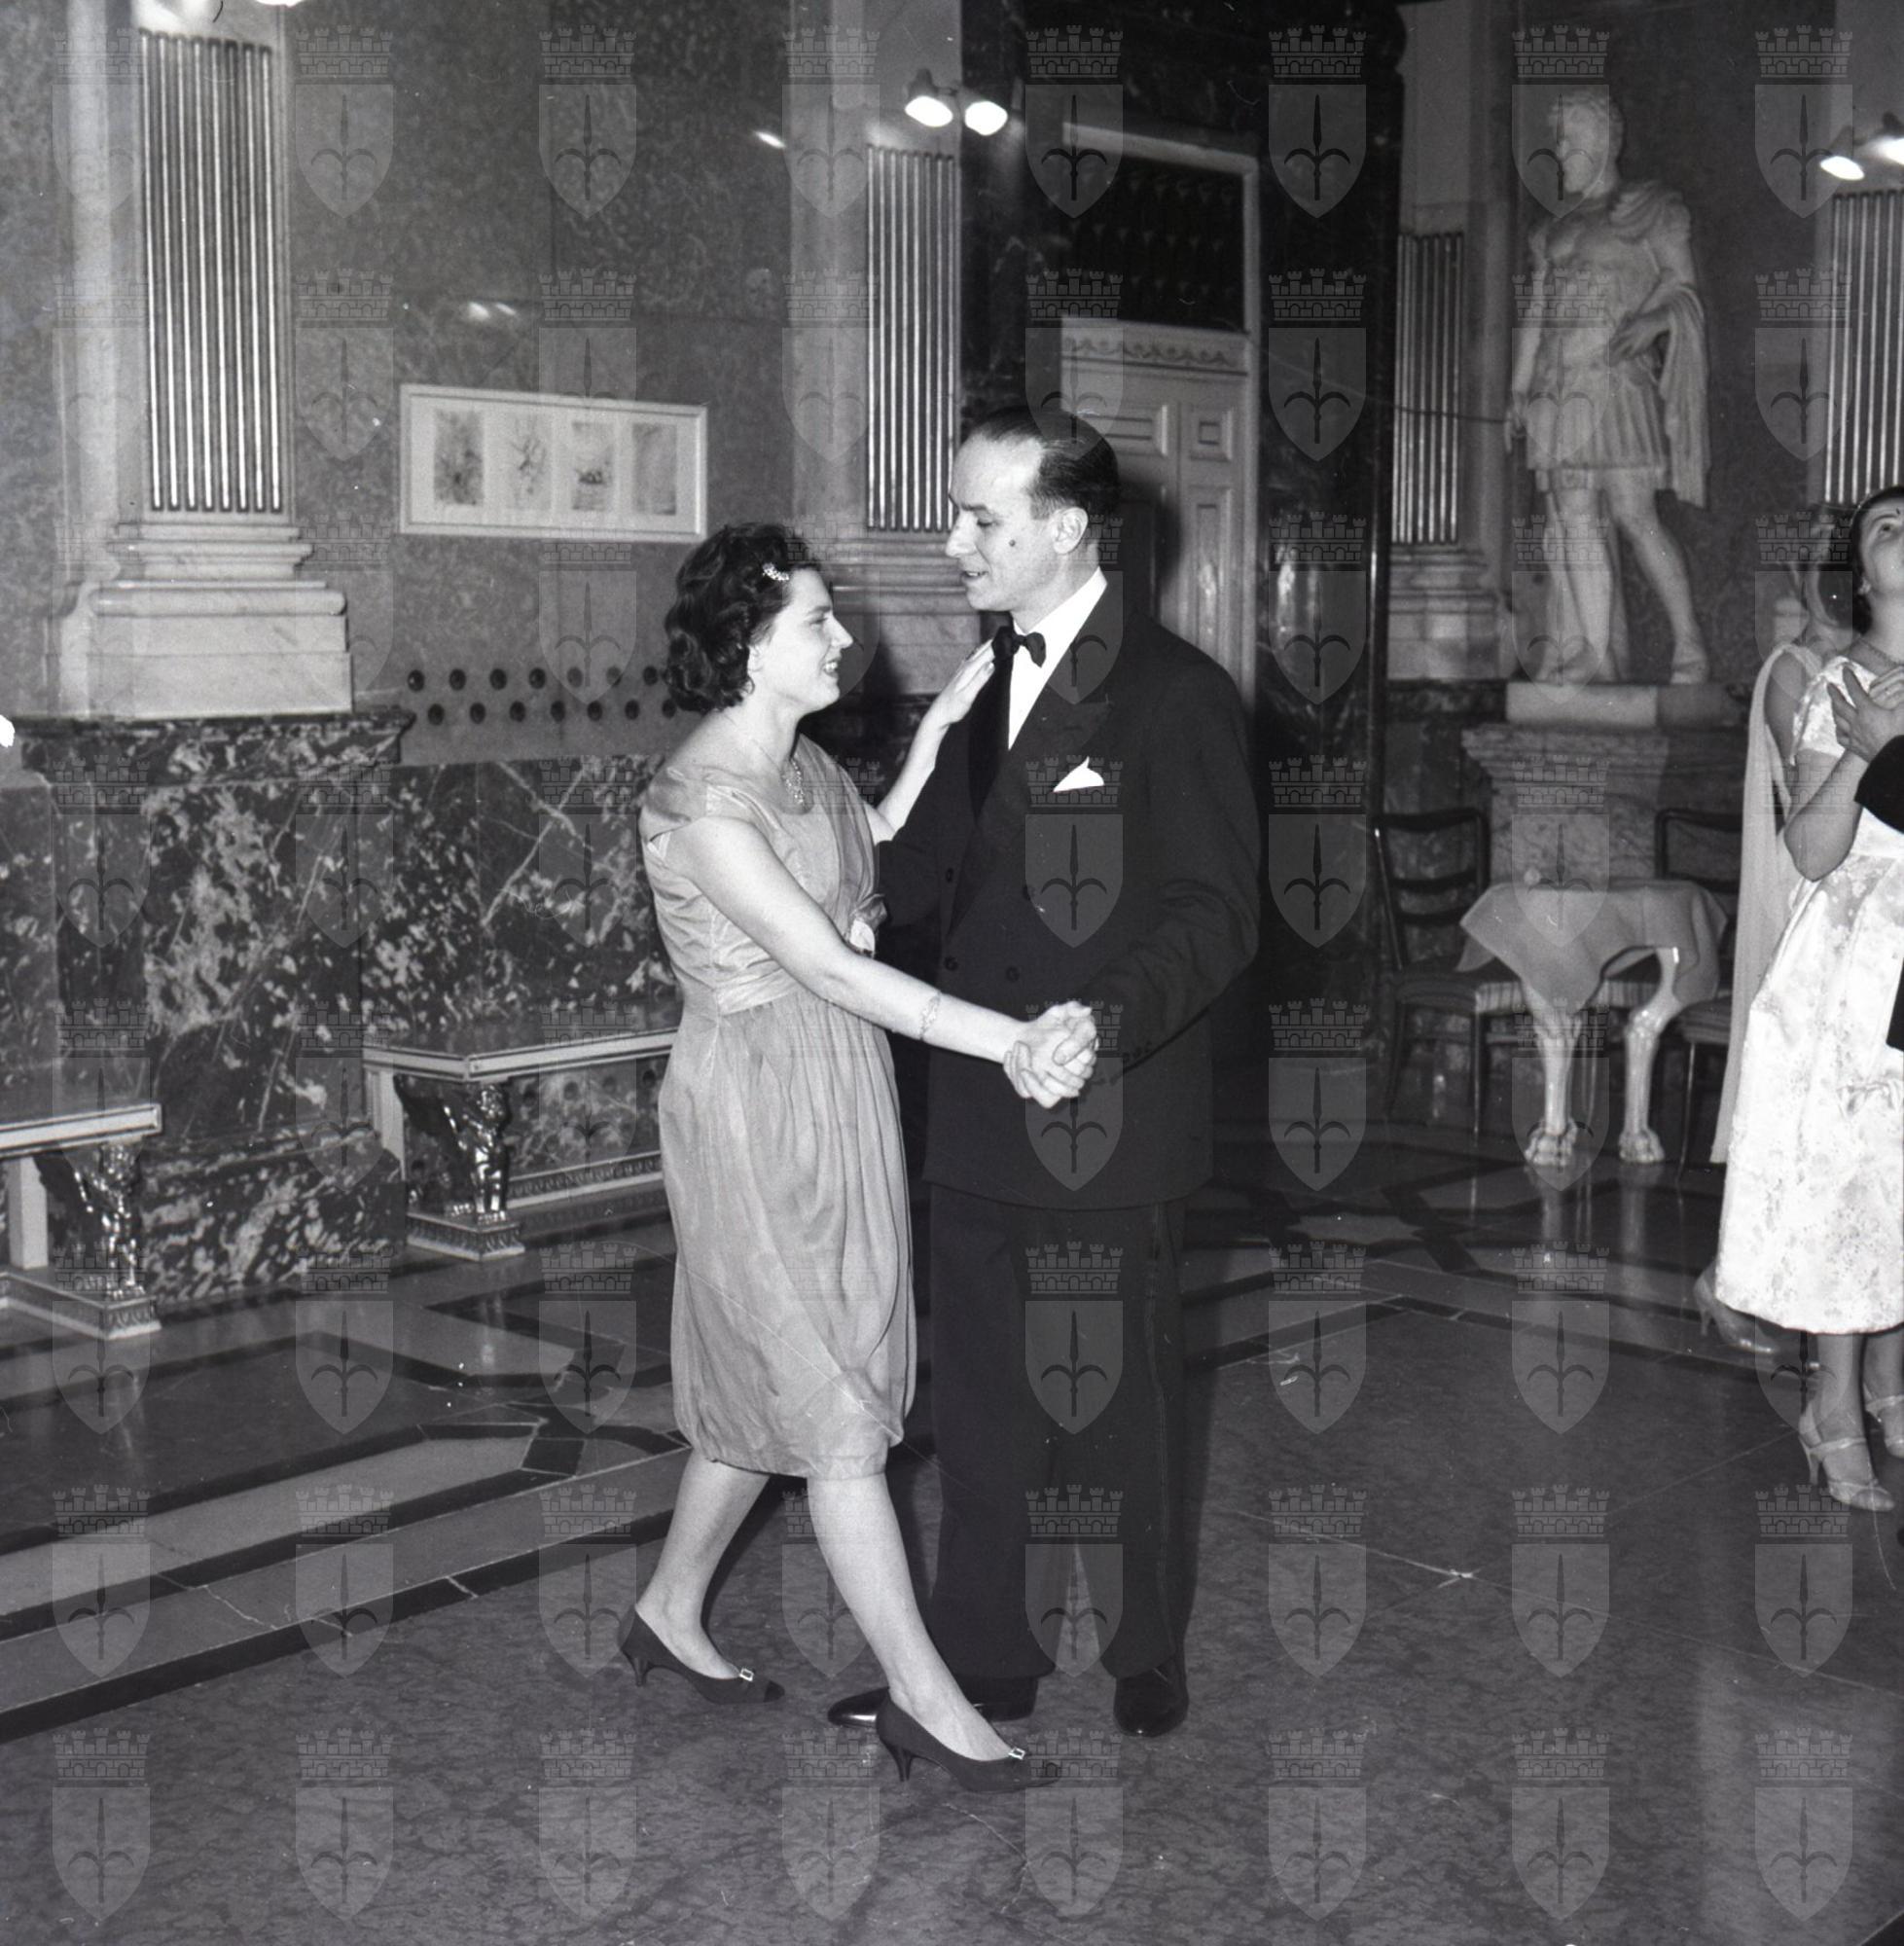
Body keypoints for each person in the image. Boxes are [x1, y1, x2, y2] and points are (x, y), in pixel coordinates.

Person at [628, 523, 1096, 1793]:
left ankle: (668, 1607)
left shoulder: (805, 765)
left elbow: (864, 846)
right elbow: (830, 963)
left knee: (778, 1378)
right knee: (833, 1415)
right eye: (817, 621)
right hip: (752, 1106)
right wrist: (1008, 1041)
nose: (845, 637)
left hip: (836, 1088)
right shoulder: (699, 802)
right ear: (747, 647)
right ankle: (927, 1702)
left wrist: (938, 734)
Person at [828, 408, 1260, 1740]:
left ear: (1067, 528)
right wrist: (820, 908)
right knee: (982, 1402)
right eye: (958, 515)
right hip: (975, 1100)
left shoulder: (1176, 694)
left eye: (982, 520)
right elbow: (923, 879)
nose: (954, 544)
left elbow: (1214, 913)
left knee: (1121, 1400)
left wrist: (1100, 1020)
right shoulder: (976, 685)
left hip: (1107, 1104)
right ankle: (985, 1653)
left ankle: (1145, 1651)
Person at [1714, 486, 1904, 1510]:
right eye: (1885, 527)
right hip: (1855, 959)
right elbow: (1810, 850)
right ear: (1858, 574)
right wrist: (1868, 747)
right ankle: (1832, 1407)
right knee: (1851, 1180)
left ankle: (1889, 1382)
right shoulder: (1832, 683)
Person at [1690, 531, 1845, 1351]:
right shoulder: (1793, 669)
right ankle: (1725, 1278)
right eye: (1822, 570)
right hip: (1808, 893)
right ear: (1800, 576)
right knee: (1791, 1105)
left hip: (1863, 894)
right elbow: (1806, 794)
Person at [1505, 90, 1709, 684]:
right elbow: (1535, 313)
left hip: (1615, 383)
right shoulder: (1553, 229)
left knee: (1634, 515)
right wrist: (1517, 389)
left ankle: (1689, 643)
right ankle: (1592, 652)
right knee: (1573, 519)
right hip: (1558, 389)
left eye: (1569, 140)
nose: (1559, 152)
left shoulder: (1651, 209)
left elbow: (1683, 287)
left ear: (1600, 142)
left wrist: (1654, 320)